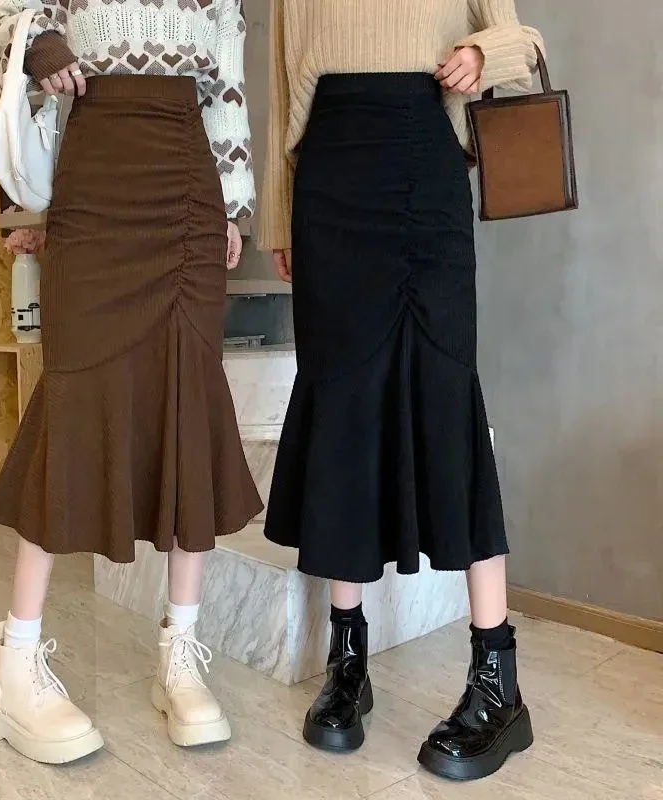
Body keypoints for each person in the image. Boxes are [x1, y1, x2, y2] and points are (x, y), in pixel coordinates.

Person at [259, 0, 543, 782]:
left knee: (449, 399)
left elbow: (522, 40)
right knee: (343, 408)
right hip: (329, 172)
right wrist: (280, 218)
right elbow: (283, 86)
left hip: (424, 158)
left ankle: (498, 680)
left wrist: (482, 56)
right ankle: (347, 663)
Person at [0, 0, 261, 764]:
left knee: (190, 403)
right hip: (95, 185)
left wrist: (234, 208)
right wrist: (39, 43)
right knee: (72, 401)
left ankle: (181, 654)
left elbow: (227, 89)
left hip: (189, 194)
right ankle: (15, 669)